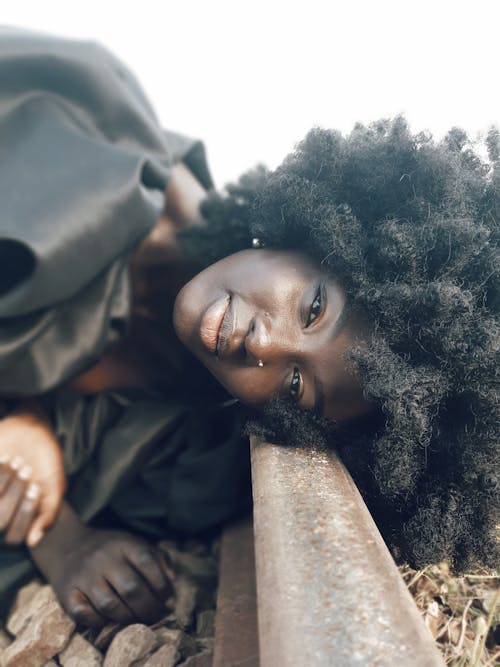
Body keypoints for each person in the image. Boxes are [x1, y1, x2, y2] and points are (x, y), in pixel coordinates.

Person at [0, 27, 498, 628]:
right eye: (313, 308)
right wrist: (25, 433)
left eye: (295, 387)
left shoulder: (193, 416)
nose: (266, 345)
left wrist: (59, 520)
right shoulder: (74, 116)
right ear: (314, 233)